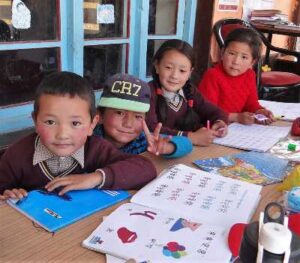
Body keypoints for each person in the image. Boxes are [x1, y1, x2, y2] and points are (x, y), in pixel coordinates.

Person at [0, 71, 156, 200]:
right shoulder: (16, 155)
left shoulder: (96, 148)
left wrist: (95, 178)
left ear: (92, 125)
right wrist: (7, 196)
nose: (62, 135)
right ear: (35, 121)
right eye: (50, 122)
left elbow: (146, 169)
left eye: (75, 124)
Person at [146, 39, 228, 146]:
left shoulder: (188, 90)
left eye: (182, 71)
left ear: (190, 72)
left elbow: (213, 111)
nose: (174, 76)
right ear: (157, 66)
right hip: (158, 152)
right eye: (168, 68)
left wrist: (219, 122)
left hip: (186, 150)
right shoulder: (147, 92)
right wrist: (191, 137)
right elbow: (151, 128)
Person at [94, 73, 193, 158]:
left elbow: (186, 143)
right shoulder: (87, 142)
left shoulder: (143, 140)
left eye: (138, 116)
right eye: (119, 113)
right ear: (99, 116)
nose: (128, 124)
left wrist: (166, 147)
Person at [198, 28, 275, 125]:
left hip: (235, 128)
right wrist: (236, 117)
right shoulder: (213, 75)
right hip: (212, 128)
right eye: (231, 53)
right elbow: (207, 112)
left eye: (244, 57)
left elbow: (251, 104)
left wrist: (260, 111)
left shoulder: (250, 75)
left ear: (252, 62)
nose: (236, 61)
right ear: (222, 53)